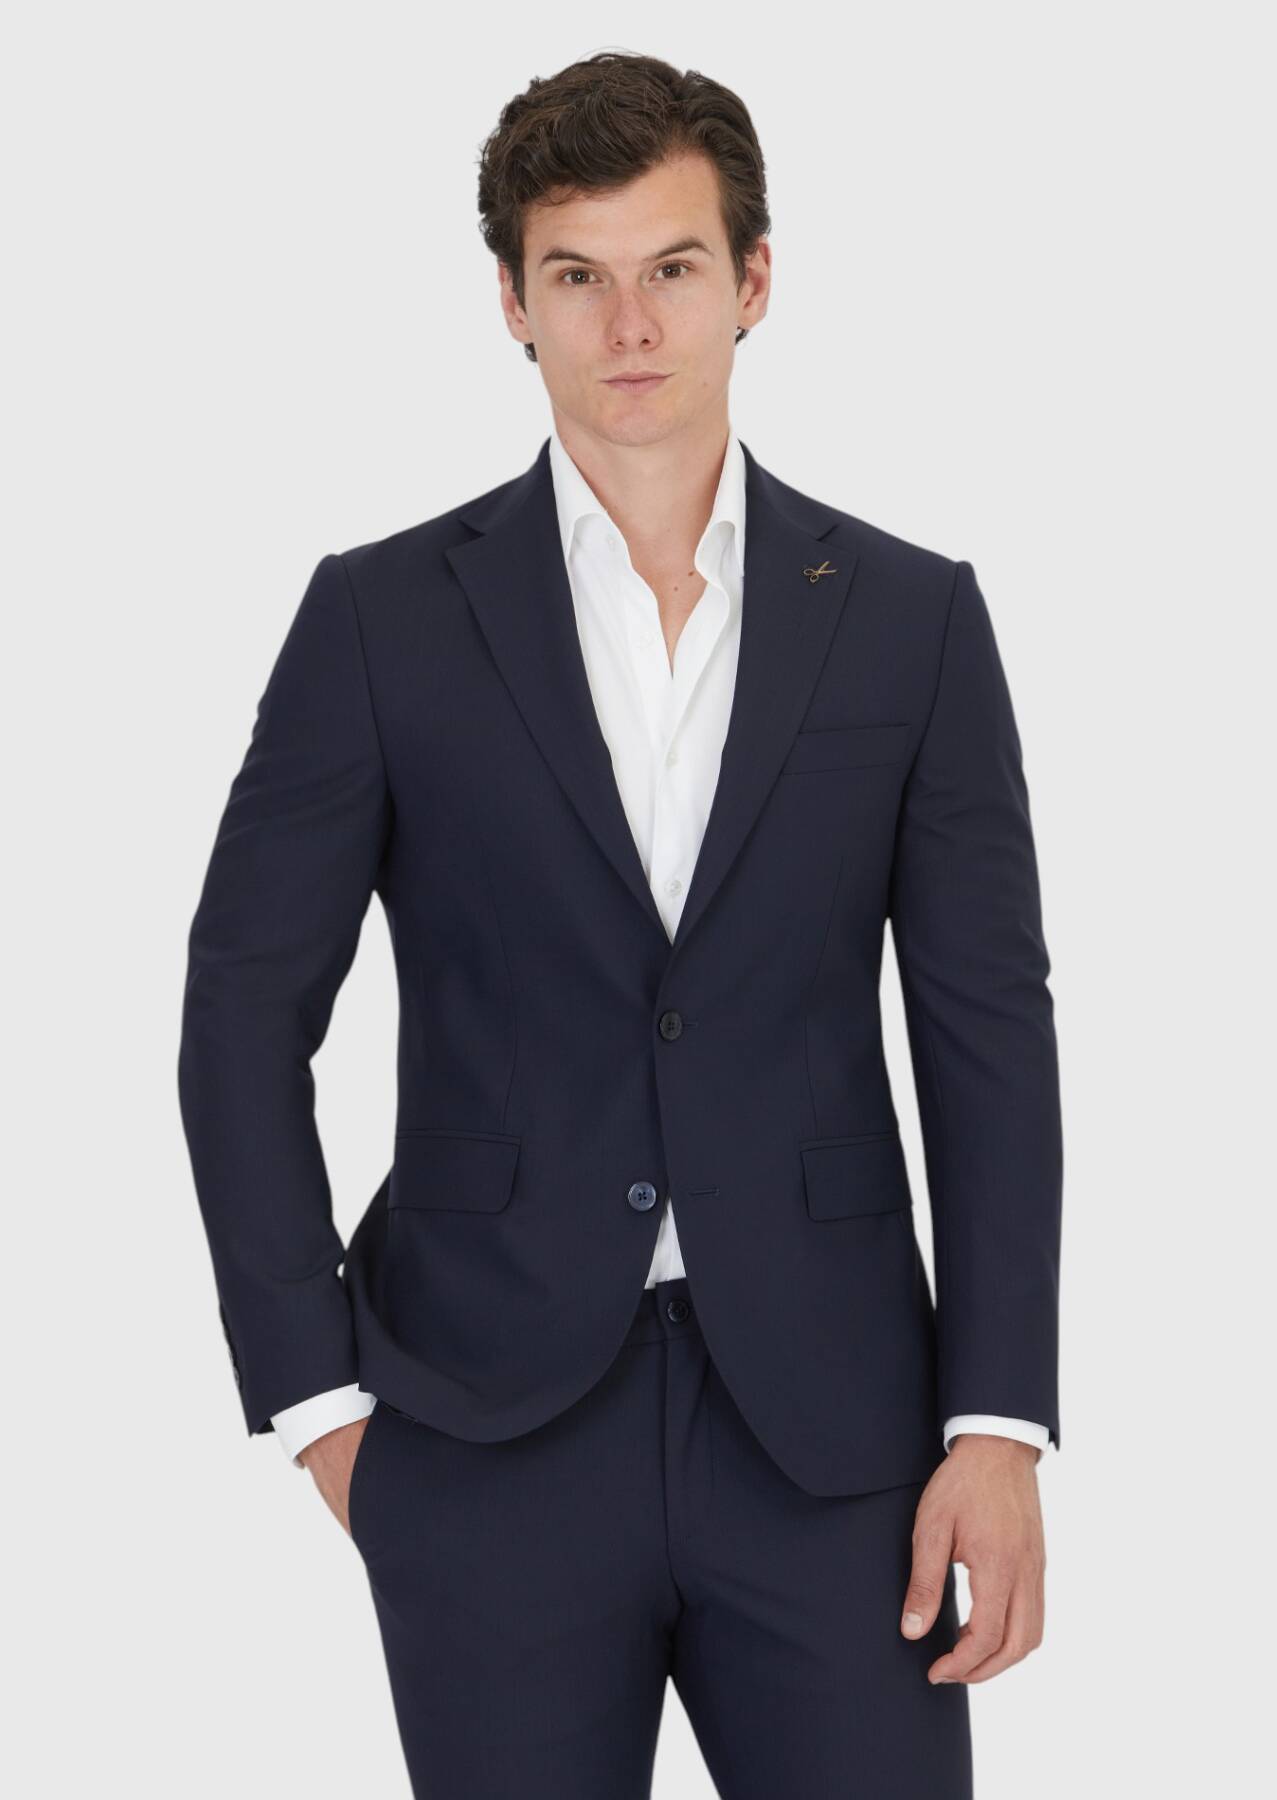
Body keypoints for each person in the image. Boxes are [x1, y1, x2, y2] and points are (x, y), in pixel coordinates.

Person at [178, 49, 1062, 1799]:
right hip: (480, 1429)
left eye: (672, 267)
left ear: (752, 280)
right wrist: (322, 1411)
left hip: (834, 1439)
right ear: (513, 302)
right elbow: (239, 1017)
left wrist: (997, 1420)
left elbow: (986, 1030)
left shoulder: (909, 621)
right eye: (576, 275)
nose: (629, 324)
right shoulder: (378, 621)